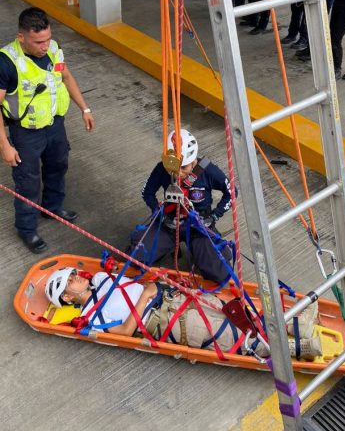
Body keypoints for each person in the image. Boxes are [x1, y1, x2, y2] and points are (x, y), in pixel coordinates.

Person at [43, 266, 320, 357]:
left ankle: (295, 324)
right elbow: (126, 332)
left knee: (236, 314)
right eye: (69, 283)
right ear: (68, 298)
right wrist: (146, 297)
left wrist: (154, 284)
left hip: (173, 298)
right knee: (230, 337)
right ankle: (300, 347)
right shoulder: (92, 316)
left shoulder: (102, 278)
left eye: (72, 276)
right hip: (163, 320)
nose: (75, 279)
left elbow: (133, 283)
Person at [0, 8, 95, 253]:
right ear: (21, 37)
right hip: (26, 133)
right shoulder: (6, 62)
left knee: (58, 166)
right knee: (27, 183)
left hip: (54, 126)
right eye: (38, 41)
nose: (45, 46)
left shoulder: (53, 50)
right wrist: (5, 146)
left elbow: (66, 77)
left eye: (48, 39)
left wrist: (84, 109)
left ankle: (52, 207)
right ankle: (27, 229)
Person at [131, 129, 236, 285]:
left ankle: (200, 252)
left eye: (184, 167)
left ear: (193, 161)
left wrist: (214, 215)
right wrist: (156, 209)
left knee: (220, 273)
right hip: (169, 223)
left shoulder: (208, 171)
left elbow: (231, 192)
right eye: (173, 168)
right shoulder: (161, 168)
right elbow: (147, 192)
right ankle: (166, 247)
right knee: (136, 257)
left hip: (198, 227)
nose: (178, 173)